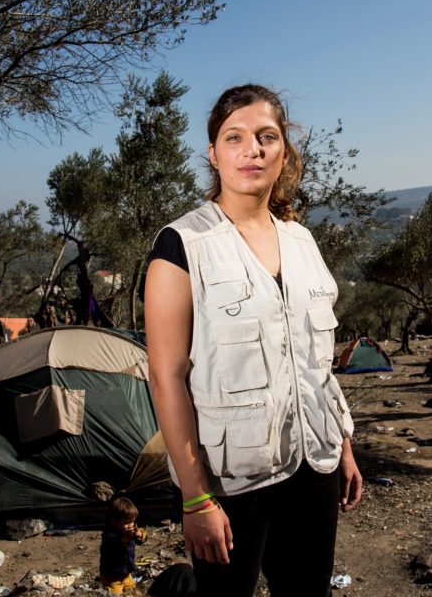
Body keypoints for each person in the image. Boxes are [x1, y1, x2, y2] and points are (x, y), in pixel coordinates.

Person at [144, 84, 363, 597]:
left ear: (283, 151)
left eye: (267, 137)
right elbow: (167, 376)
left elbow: (317, 365)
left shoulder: (302, 241)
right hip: (231, 480)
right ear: (213, 153)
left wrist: (345, 445)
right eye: (235, 137)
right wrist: (196, 500)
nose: (253, 149)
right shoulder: (182, 245)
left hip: (314, 464)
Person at [99, 497, 147, 594]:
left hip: (126, 574)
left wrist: (140, 535)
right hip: (112, 577)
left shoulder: (128, 530)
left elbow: (140, 540)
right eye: (126, 522)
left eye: (132, 521)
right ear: (114, 520)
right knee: (114, 594)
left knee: (133, 592)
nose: (130, 525)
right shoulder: (109, 535)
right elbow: (119, 541)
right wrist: (130, 535)